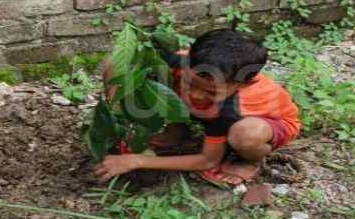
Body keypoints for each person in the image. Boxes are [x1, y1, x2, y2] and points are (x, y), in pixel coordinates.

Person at [94, 28, 300, 186]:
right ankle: (179, 129)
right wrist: (115, 108)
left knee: (245, 135)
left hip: (269, 124)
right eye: (190, 82)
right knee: (151, 77)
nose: (195, 94)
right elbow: (114, 64)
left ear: (243, 84)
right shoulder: (179, 62)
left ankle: (250, 161)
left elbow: (207, 161)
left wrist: (135, 161)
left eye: (211, 91)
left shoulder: (232, 107)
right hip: (209, 113)